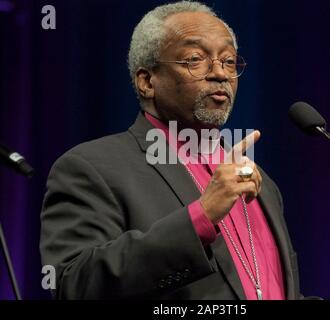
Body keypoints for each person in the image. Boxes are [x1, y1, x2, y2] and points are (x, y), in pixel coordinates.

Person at [40, 1, 301, 300]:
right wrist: (201, 216)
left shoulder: (262, 185)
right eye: (195, 59)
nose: (220, 73)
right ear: (147, 81)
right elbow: (75, 285)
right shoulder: (92, 168)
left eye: (229, 61)